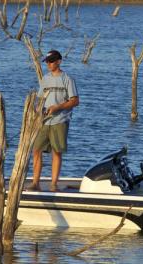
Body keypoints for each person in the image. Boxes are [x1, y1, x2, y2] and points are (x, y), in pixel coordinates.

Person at [30, 49, 79, 192]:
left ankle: (53, 184)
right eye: (47, 62)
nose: (49, 64)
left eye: (51, 61)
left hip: (60, 120)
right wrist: (37, 113)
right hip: (45, 121)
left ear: (59, 61)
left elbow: (75, 101)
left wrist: (58, 107)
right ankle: (35, 183)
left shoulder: (68, 79)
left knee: (57, 152)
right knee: (36, 150)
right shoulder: (45, 79)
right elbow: (40, 99)